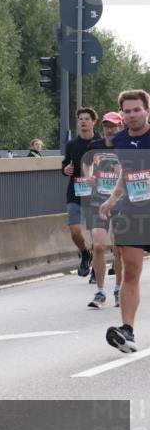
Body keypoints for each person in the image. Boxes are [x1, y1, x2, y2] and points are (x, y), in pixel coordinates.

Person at [99, 89, 150, 353]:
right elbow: (126, 175)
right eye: (127, 111)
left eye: (136, 110)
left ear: (147, 111)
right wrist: (112, 198)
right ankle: (127, 331)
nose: (132, 115)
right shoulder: (119, 140)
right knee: (131, 272)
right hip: (132, 212)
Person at [81, 112, 125, 308]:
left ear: (120, 127)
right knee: (98, 246)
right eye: (107, 125)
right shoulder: (94, 146)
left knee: (119, 249)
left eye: (114, 126)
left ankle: (118, 289)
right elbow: (86, 163)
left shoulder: (125, 146)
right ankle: (100, 292)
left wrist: (122, 172)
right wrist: (88, 176)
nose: (110, 129)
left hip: (121, 202)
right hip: (98, 201)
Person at [62, 107, 100, 278]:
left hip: (96, 193)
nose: (83, 122)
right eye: (80, 119)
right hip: (75, 191)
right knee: (75, 231)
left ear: (93, 122)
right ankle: (85, 254)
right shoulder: (71, 145)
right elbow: (65, 164)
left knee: (95, 234)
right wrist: (66, 169)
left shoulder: (101, 142)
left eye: (86, 119)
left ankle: (96, 269)